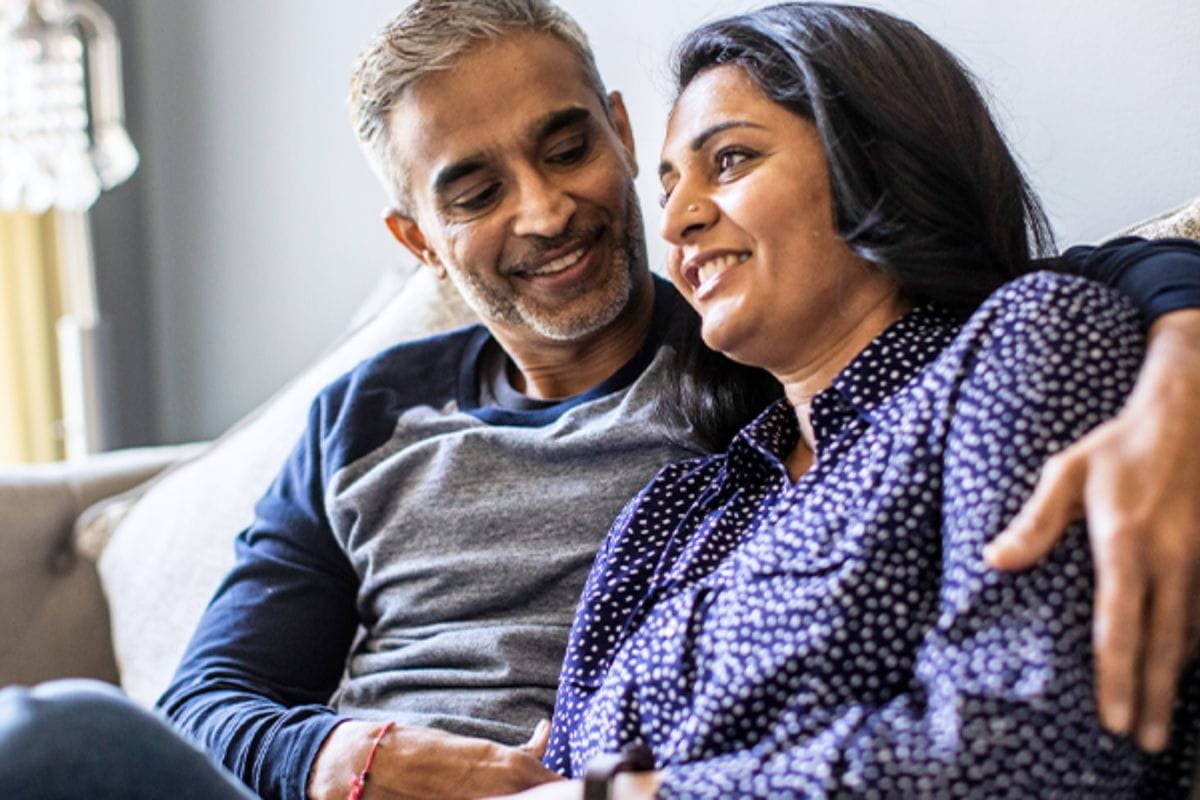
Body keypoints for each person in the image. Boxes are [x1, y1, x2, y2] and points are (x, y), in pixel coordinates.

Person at [1, 2, 1199, 799]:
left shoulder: (744, 358)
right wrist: (358, 756)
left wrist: (1183, 347)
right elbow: (206, 697)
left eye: (568, 146)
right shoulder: (672, 496)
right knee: (49, 738)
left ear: (616, 134)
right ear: (419, 239)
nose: (547, 210)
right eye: (475, 189)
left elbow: (1033, 286)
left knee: (42, 742)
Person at [492, 4, 1199, 798]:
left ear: (876, 161)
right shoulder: (668, 514)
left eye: (728, 161)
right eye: (668, 188)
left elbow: (1032, 755)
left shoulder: (1030, 346)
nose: (681, 218)